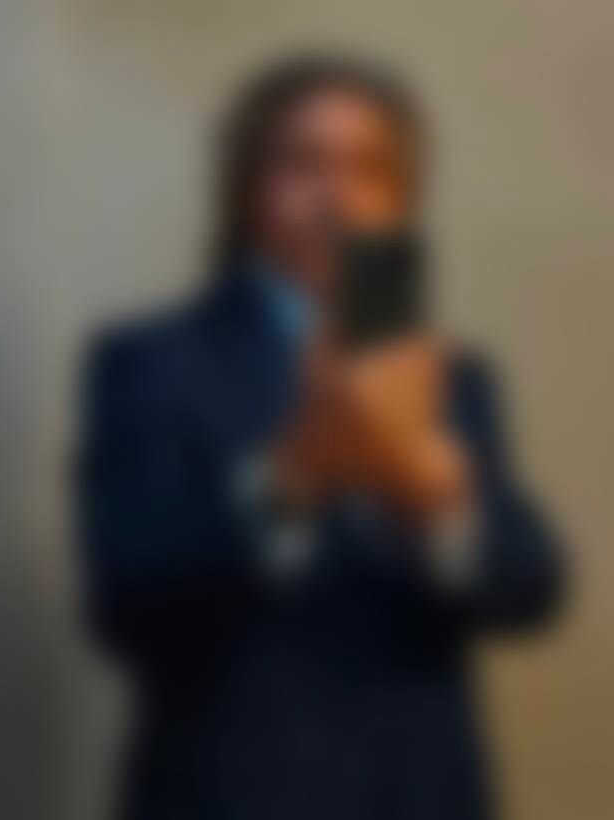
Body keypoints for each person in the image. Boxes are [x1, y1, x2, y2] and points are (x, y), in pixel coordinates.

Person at [79, 56, 564, 820]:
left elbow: (531, 591)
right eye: (303, 164)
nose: (338, 197)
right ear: (247, 187)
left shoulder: (452, 379)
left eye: (369, 169)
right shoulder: (156, 360)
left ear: (402, 199)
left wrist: (440, 503)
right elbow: (130, 601)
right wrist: (295, 471)